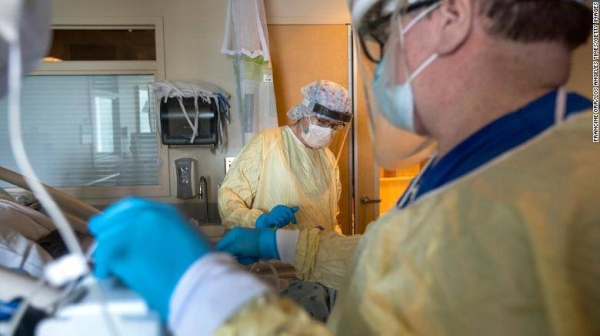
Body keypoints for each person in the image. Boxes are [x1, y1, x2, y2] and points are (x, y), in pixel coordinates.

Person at [89, 0, 600, 335]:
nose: (384, 59)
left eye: (382, 31)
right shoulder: (511, 158)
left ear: (450, 17)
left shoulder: (525, 199)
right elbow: (402, 260)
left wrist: (204, 295)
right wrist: (277, 241)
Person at [218, 79, 352, 233]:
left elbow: (331, 213)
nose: (328, 130)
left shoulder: (327, 158)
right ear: (305, 112)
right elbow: (229, 200)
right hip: (273, 254)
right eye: (322, 121)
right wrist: (260, 220)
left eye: (334, 126)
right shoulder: (266, 144)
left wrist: (334, 241)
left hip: (316, 252)